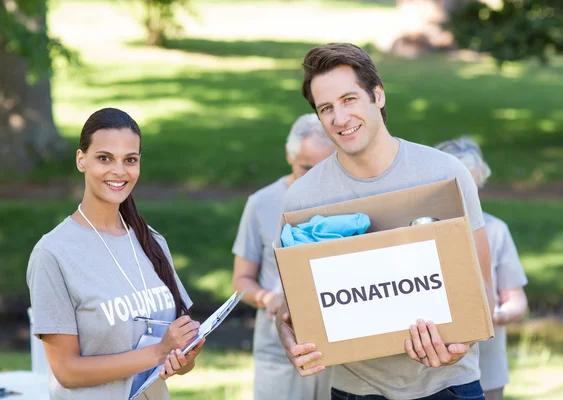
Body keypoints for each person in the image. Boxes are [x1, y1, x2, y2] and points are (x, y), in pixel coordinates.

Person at [275, 43, 495, 400]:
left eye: (349, 100)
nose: (339, 119)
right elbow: (291, 308)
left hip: (449, 385)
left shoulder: (445, 173)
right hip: (356, 392)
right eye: (326, 108)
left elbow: (483, 287)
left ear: (377, 95)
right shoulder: (303, 199)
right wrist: (288, 337)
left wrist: (463, 341)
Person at [26, 108, 204, 400]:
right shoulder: (53, 254)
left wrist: (182, 354)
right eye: (104, 158)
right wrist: (157, 352)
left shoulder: (152, 241)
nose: (119, 171)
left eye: (130, 160)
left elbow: (179, 363)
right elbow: (67, 371)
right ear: (81, 160)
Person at [232, 113, 335, 400]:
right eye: (305, 167)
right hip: (278, 346)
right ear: (289, 157)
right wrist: (269, 298)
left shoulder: (348, 199)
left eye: (324, 167)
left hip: (336, 342)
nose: (314, 178)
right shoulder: (261, 203)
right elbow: (241, 280)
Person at [435, 137, 529, 400]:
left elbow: (517, 301)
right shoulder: (421, 230)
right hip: (430, 376)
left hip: (486, 372)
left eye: (471, 187)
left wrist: (493, 315)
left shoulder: (496, 230)